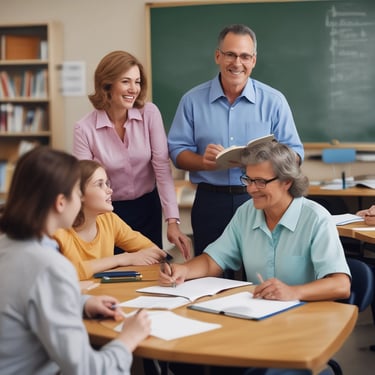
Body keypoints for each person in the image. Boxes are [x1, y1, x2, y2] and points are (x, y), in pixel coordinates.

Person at [160, 141, 350, 375]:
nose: (250, 189)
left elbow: (341, 284)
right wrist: (183, 270)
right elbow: (213, 260)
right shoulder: (247, 213)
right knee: (190, 357)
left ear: (287, 181)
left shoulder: (316, 218)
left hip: (301, 329)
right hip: (257, 323)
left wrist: (294, 292)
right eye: (248, 180)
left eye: (260, 181)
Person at [0, 147, 150, 375]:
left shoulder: (7, 244)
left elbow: (25, 301)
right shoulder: (50, 267)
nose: (80, 201)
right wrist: (129, 338)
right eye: (76, 194)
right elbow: (88, 370)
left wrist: (81, 303)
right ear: (61, 203)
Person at [168, 24, 304, 257]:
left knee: (260, 269)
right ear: (218, 56)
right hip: (210, 201)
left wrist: (266, 161)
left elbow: (295, 153)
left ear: (254, 60)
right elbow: (177, 151)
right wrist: (203, 162)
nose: (237, 63)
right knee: (209, 274)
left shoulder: (274, 101)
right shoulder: (192, 100)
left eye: (245, 56)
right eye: (230, 54)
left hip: (260, 198)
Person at [73, 50, 191, 259]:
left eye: (137, 82)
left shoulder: (150, 113)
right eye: (126, 81)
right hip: (107, 214)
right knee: (115, 273)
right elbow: (85, 183)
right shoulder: (84, 129)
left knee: (152, 270)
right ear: (107, 84)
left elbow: (162, 170)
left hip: (148, 207)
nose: (133, 89)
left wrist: (172, 221)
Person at [53, 159, 167, 280]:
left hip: (103, 294)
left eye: (107, 183)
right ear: (78, 193)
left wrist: (167, 266)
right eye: (99, 184)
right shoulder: (58, 232)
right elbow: (67, 273)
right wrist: (122, 259)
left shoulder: (109, 220)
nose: (110, 190)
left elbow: (152, 250)